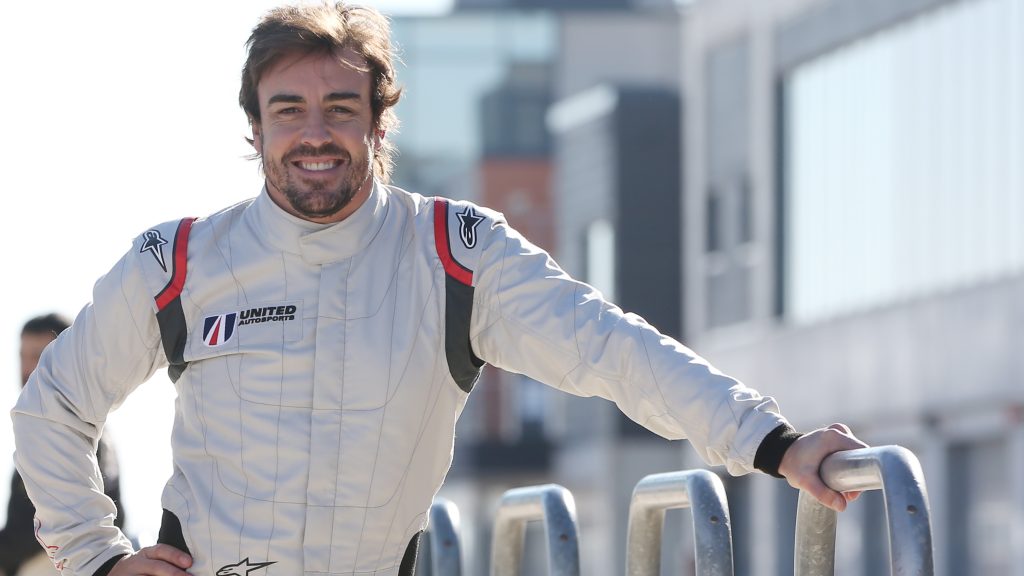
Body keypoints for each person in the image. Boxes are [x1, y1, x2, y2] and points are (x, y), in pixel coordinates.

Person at [12, 3, 866, 575]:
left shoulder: (456, 254)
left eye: (341, 108)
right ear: (255, 123)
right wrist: (98, 555)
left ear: (381, 119)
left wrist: (770, 441)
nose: (316, 135)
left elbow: (614, 350)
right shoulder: (179, 263)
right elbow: (50, 406)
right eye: (289, 110)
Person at [2, 315, 125, 576]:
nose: (26, 369)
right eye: (22, 356)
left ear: (63, 360)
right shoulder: (39, 433)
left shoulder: (74, 433)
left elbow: (43, 523)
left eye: (37, 356)